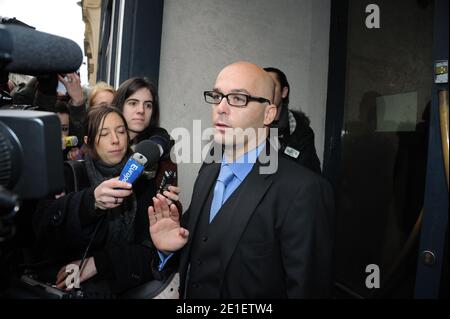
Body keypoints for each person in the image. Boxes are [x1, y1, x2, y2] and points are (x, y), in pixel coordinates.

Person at [148, 61, 334, 298]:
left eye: (238, 98)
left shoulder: (304, 191)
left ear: (269, 113)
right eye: (217, 96)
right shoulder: (207, 176)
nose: (221, 108)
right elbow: (202, 258)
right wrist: (168, 250)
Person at [32, 106, 180, 295]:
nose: (116, 140)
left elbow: (149, 252)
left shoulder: (142, 180)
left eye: (121, 131)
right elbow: (41, 230)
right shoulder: (69, 175)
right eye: (104, 134)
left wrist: (99, 263)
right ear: (89, 141)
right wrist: (90, 202)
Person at [264, 67, 322, 173]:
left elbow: (312, 175)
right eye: (260, 86)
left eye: (271, 86)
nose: (265, 91)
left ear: (284, 92)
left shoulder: (302, 133)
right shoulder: (244, 126)